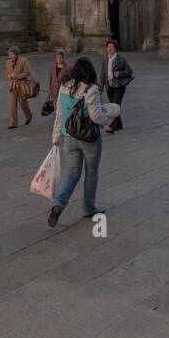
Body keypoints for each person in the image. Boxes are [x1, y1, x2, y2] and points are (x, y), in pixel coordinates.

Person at [48, 56, 120, 225]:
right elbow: (96, 116)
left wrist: (55, 138)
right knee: (91, 173)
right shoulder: (91, 89)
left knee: (72, 174)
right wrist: (108, 118)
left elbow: (59, 115)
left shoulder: (64, 87)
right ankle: (89, 208)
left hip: (68, 137)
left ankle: (58, 203)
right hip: (88, 138)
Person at [99, 39, 133, 133]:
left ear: (115, 49)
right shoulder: (105, 60)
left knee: (114, 106)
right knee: (114, 106)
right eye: (108, 47)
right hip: (109, 86)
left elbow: (129, 71)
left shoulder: (120, 59)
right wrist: (100, 87)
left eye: (112, 47)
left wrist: (120, 73)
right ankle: (119, 125)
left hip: (119, 86)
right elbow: (102, 74)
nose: (110, 49)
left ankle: (111, 126)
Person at [6, 45, 34, 128]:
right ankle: (13, 123)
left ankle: (28, 115)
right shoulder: (8, 62)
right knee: (12, 105)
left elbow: (28, 72)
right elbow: (6, 74)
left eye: (12, 55)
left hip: (22, 86)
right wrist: (10, 76)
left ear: (16, 54)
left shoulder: (23, 60)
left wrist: (17, 76)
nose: (10, 56)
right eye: (9, 55)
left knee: (23, 103)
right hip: (12, 86)